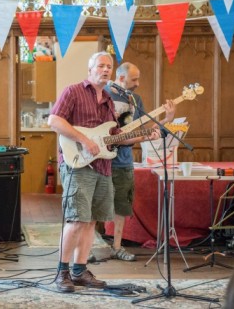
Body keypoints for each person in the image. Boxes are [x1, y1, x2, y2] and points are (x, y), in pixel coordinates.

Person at [48, 52, 160, 293]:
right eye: (101, 65)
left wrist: (145, 135)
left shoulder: (109, 101)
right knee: (76, 219)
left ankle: (79, 270)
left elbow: (116, 138)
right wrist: (84, 140)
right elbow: (54, 121)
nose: (106, 69)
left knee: (91, 222)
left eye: (109, 66)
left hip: (103, 167)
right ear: (90, 69)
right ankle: (62, 272)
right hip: (78, 164)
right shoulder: (73, 91)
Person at [105, 62, 176, 261]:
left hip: (123, 161)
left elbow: (147, 129)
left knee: (122, 206)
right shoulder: (103, 94)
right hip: (99, 159)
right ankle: (86, 250)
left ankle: (117, 247)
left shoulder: (136, 100)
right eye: (134, 79)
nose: (138, 83)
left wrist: (168, 118)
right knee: (94, 205)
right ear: (120, 78)